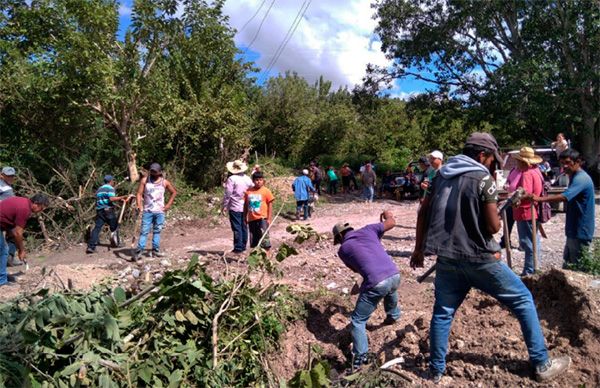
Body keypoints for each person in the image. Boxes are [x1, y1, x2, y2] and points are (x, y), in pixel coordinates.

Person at [411, 132, 570, 383]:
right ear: (482, 155)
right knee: (523, 299)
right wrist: (496, 206)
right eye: (491, 159)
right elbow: (494, 226)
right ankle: (541, 363)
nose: (491, 164)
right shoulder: (482, 178)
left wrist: (418, 249)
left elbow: (423, 211)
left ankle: (436, 371)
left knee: (443, 313)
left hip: (447, 259)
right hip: (479, 258)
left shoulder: (440, 175)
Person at [333, 210, 400, 369]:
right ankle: (393, 315)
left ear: (340, 237)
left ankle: (360, 358)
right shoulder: (370, 230)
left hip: (377, 282)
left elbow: (356, 269)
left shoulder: (343, 249)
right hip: (395, 274)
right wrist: (388, 214)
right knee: (390, 287)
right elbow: (392, 222)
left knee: (357, 320)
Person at [527, 149, 595, 267]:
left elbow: (564, 197)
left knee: (579, 266)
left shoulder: (581, 178)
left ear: (578, 162)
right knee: (569, 264)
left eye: (568, 162)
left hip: (581, 229)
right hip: (573, 228)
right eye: (562, 163)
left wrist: (540, 199)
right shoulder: (573, 176)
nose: (564, 166)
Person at [0, 194, 50, 287]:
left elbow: (13, 228)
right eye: (41, 208)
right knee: (3, 251)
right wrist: (22, 250)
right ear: (36, 204)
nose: (40, 211)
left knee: (4, 249)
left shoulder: (24, 202)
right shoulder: (25, 209)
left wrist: (16, 244)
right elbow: (18, 232)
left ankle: (2, 274)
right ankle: (2, 281)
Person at [133, 163, 177, 260]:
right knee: (144, 232)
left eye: (155, 171)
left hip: (159, 212)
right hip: (147, 211)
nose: (153, 172)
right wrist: (139, 205)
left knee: (157, 231)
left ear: (159, 172)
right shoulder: (145, 181)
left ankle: (155, 251)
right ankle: (139, 252)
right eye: (151, 170)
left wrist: (168, 205)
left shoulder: (164, 182)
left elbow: (174, 192)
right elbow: (139, 194)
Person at [512, 147, 544, 276]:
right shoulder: (536, 171)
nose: (517, 164)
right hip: (531, 210)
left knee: (528, 242)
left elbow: (524, 193)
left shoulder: (527, 174)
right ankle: (534, 267)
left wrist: (513, 197)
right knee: (533, 240)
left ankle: (529, 271)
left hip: (525, 211)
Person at [86, 175, 132, 254]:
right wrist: (123, 197)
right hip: (108, 210)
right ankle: (116, 243)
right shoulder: (110, 188)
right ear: (111, 181)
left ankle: (91, 247)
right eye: (113, 181)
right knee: (114, 227)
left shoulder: (99, 189)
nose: (114, 182)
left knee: (97, 228)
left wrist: (119, 199)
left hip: (99, 210)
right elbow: (111, 199)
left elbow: (103, 199)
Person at [222, 160, 254, 254]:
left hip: (235, 206)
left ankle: (238, 247)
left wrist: (224, 206)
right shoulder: (247, 179)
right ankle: (243, 246)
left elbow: (228, 194)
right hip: (246, 206)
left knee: (237, 227)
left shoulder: (232, 179)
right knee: (244, 226)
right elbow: (252, 190)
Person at [244, 171, 275, 250]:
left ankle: (267, 258)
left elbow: (270, 204)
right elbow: (246, 205)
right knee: (254, 241)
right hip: (252, 219)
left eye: (260, 180)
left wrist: (269, 218)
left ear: (263, 180)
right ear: (253, 181)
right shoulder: (248, 191)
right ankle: (257, 259)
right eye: (257, 180)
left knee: (265, 240)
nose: (259, 182)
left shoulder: (266, 191)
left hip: (262, 219)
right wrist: (245, 217)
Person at [0, 167, 20, 267]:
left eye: (12, 176)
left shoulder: (7, 185)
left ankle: (9, 258)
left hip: (8, 215)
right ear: (1, 175)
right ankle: (8, 259)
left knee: (12, 235)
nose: (11, 178)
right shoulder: (1, 186)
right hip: (3, 216)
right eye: (8, 176)